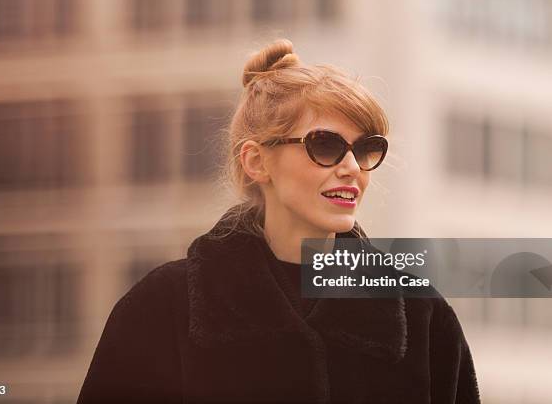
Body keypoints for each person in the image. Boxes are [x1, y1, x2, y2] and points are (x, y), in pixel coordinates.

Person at [77, 39, 480, 403]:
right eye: (325, 145)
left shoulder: (423, 316)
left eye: (366, 149)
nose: (351, 167)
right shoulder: (162, 306)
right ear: (256, 161)